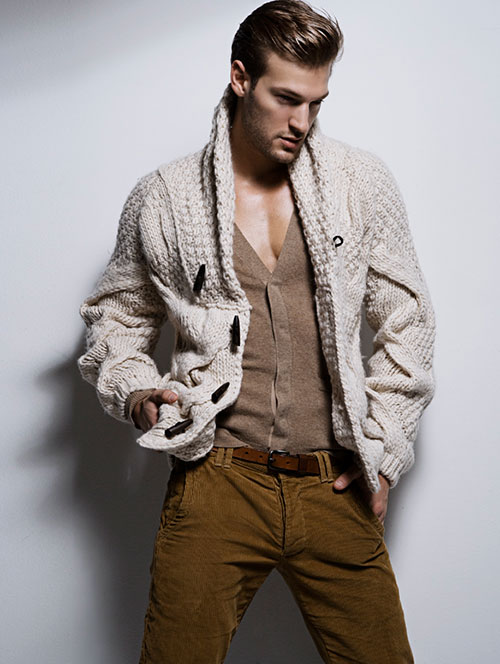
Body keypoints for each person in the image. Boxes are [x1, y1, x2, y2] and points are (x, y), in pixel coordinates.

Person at [77, 1, 436, 662]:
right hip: (216, 482)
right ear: (241, 77)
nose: (302, 122)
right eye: (286, 99)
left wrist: (384, 452)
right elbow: (117, 321)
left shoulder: (361, 184)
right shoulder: (165, 197)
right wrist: (138, 392)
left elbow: (408, 321)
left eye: (317, 103)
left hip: (333, 484)